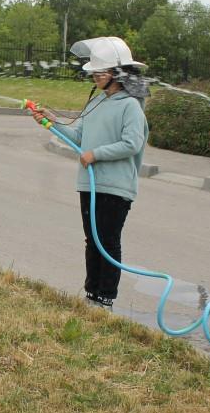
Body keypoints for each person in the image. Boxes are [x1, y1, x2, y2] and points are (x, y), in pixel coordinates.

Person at [29, 37, 149, 309]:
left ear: (117, 73)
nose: (95, 76)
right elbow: (78, 136)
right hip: (90, 185)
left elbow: (132, 143)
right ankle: (91, 294)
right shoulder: (96, 103)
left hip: (115, 188)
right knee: (92, 240)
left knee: (107, 241)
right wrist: (49, 121)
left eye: (100, 71)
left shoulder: (130, 105)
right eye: (94, 71)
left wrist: (96, 154)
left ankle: (105, 298)